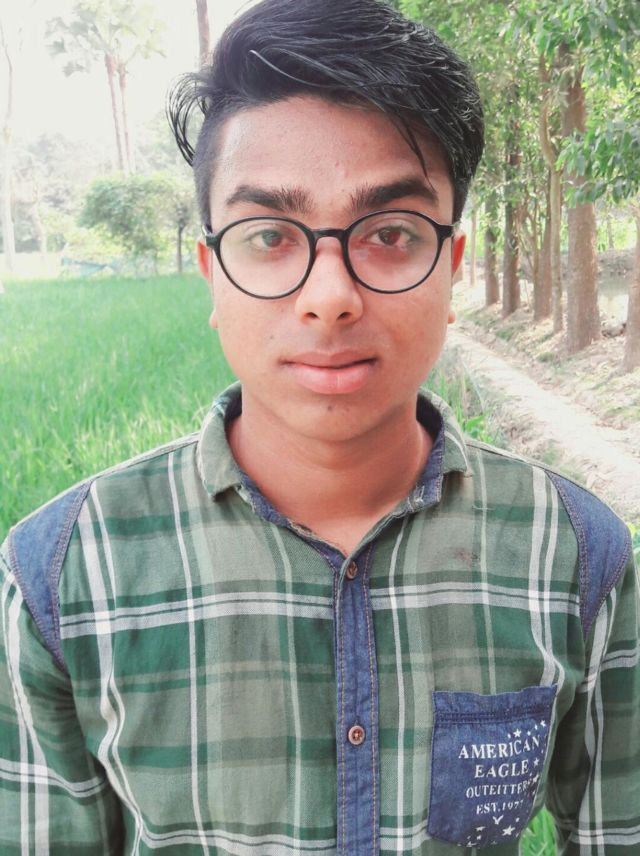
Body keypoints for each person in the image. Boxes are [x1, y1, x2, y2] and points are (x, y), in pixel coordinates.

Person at [1, 0, 638, 852]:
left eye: (391, 233)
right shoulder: (62, 578)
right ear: (212, 274)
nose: (329, 295)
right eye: (269, 235)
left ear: (450, 266)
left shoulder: (577, 558)